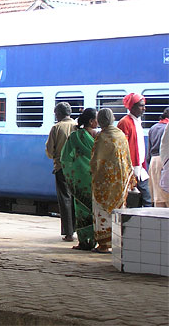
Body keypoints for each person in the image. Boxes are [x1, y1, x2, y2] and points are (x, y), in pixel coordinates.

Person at [90, 108, 134, 253]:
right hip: (119, 181)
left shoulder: (101, 136)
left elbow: (95, 160)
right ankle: (117, 241)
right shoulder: (120, 135)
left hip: (104, 182)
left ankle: (103, 244)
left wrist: (94, 174)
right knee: (118, 211)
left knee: (102, 211)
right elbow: (126, 157)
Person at [60, 108, 98, 251]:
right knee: (94, 208)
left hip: (80, 179)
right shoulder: (98, 136)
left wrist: (72, 170)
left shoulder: (75, 136)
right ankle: (96, 238)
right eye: (96, 119)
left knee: (81, 210)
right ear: (91, 121)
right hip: (95, 177)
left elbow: (65, 157)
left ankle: (84, 241)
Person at [45, 102, 77, 241]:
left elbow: (50, 151)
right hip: (78, 169)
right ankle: (78, 230)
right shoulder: (77, 126)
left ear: (58, 114)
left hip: (61, 168)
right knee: (77, 198)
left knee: (65, 199)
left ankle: (68, 232)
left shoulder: (56, 128)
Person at [117, 93, 152, 207]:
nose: (144, 108)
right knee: (138, 200)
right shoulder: (125, 122)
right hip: (131, 169)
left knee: (145, 199)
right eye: (141, 106)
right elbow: (123, 147)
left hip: (139, 168)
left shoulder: (137, 121)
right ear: (133, 107)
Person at [146, 107, 169, 207]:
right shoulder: (166, 128)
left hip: (153, 162)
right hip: (164, 161)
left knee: (157, 198)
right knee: (166, 196)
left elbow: (148, 151)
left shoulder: (153, 127)